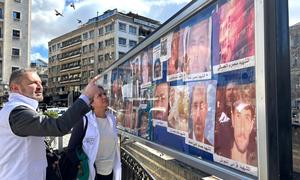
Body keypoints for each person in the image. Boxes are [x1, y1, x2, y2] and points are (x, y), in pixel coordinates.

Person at [0, 68, 100, 179]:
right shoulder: (17, 113)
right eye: (33, 83)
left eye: (40, 82)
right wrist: (86, 96)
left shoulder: (17, 110)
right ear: (15, 88)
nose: (40, 86)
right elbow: (59, 126)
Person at [68, 85, 121, 180]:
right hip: (92, 173)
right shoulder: (84, 121)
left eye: (104, 94)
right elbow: (71, 149)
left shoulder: (112, 119)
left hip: (110, 172)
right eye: (99, 95)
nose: (104, 97)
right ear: (91, 103)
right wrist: (82, 166)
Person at [230, 100, 257, 166]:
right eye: (238, 116)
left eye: (247, 118)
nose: (242, 128)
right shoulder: (220, 153)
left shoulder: (259, 161)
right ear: (232, 120)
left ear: (251, 125)